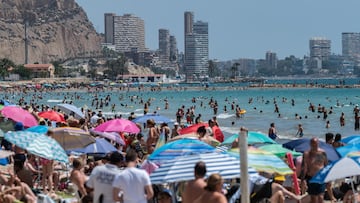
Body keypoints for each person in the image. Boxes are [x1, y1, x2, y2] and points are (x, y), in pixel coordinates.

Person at [301, 137, 328, 203]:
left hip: (321, 177)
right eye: (313, 144)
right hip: (311, 177)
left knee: (320, 197)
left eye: (315, 144)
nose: (314, 146)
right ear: (310, 144)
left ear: (318, 143)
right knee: (313, 198)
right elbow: (304, 167)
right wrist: (302, 179)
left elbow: (326, 165)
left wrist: (328, 177)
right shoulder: (307, 154)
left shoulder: (322, 153)